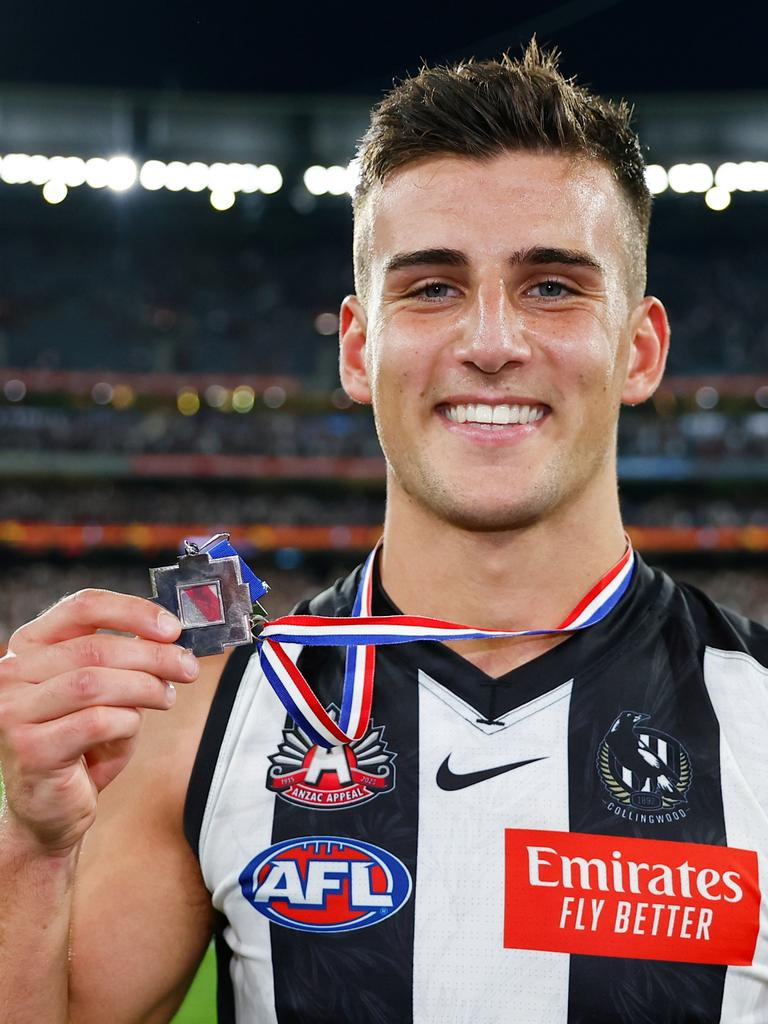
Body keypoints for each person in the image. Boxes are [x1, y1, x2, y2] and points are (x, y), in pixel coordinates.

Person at [1, 41, 767, 1024]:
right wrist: (32, 843)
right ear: (359, 350)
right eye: (433, 286)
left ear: (641, 349)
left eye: (554, 286)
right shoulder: (207, 713)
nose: (492, 343)